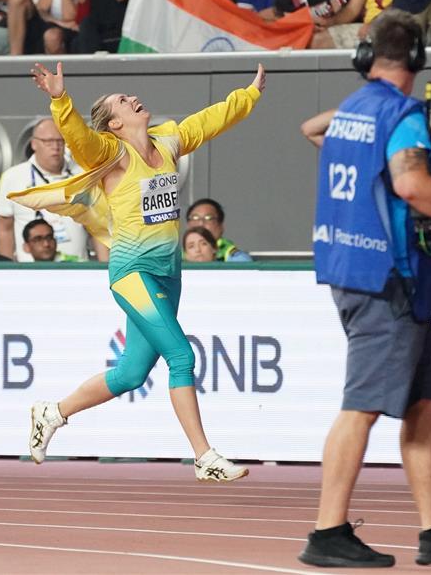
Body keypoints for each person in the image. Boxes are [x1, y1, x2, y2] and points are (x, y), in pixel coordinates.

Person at [298, 9, 431, 568]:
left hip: (361, 271)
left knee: (423, 400)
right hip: (389, 278)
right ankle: (326, 531)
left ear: (368, 58)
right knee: (360, 407)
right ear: (417, 60)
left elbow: (312, 131)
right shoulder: (401, 114)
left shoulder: (354, 112)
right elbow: (410, 183)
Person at [15, 60, 266, 482]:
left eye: (130, 96)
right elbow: (79, 138)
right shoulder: (111, 153)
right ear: (114, 124)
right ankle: (204, 458)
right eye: (123, 101)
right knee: (181, 356)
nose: (134, 99)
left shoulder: (167, 141)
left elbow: (208, 122)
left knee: (131, 373)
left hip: (168, 273)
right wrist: (61, 101)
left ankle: (52, 413)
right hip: (131, 271)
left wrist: (249, 95)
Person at [0, 117, 94, 262]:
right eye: (48, 141)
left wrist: (105, 268)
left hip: (77, 268)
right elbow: (4, 230)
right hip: (31, 273)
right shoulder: (12, 177)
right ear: (34, 144)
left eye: (60, 141)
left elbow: (98, 226)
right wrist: (7, 271)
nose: (56, 146)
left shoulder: (83, 175)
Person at [185, 198, 253, 262]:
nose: (201, 223)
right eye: (195, 218)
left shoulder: (238, 259)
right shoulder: (176, 257)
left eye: (209, 218)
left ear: (221, 226)